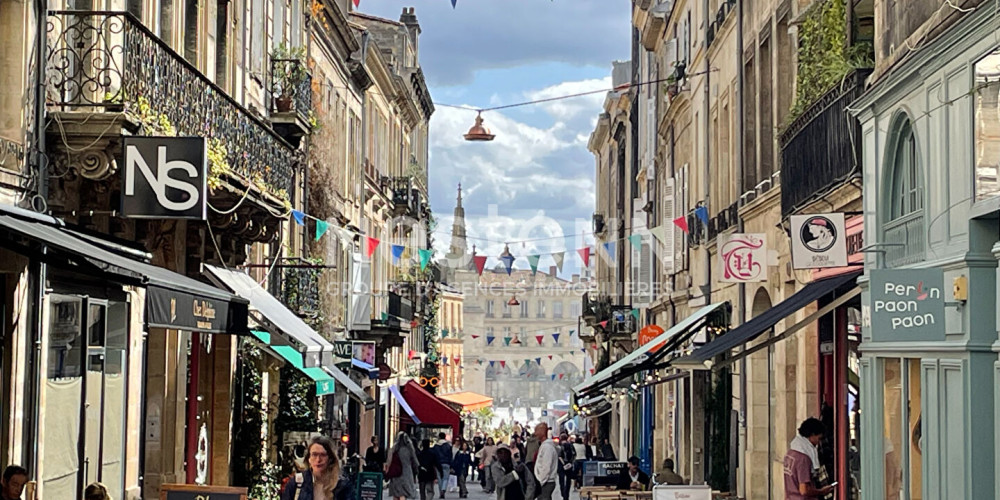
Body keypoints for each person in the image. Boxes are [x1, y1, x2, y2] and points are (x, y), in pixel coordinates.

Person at [281, 436, 353, 500]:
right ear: (308, 458)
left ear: (330, 458)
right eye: (314, 455)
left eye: (323, 455)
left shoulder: (341, 486)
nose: (318, 460)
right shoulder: (297, 483)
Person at [784, 418, 835, 499]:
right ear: (812, 434)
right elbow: (804, 490)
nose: (819, 442)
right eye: (819, 438)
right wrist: (822, 491)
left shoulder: (790, 453)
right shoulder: (803, 458)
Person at [386, 432, 421, 500]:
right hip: (406, 474)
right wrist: (417, 470)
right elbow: (415, 461)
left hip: (395, 473)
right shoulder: (409, 449)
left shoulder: (393, 449)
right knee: (403, 493)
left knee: (396, 494)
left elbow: (388, 461)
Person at [533, 423, 559, 500]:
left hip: (546, 482)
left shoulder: (547, 448)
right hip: (545, 481)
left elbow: (546, 466)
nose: (535, 433)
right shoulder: (545, 446)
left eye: (537, 431)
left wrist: (541, 481)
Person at [433, 433, 454, 499]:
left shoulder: (436, 446)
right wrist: (451, 464)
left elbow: (434, 455)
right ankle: (443, 489)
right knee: (445, 478)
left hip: (438, 463)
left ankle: (440, 492)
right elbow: (451, 456)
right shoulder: (448, 445)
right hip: (446, 463)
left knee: (439, 478)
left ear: (439, 437)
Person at [556, 432, 575, 500]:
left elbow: (559, 456)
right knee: (568, 480)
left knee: (562, 480)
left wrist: (564, 464)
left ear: (561, 439)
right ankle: (567, 494)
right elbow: (574, 454)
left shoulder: (559, 446)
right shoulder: (570, 445)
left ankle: (563, 493)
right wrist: (570, 462)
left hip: (562, 465)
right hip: (569, 465)